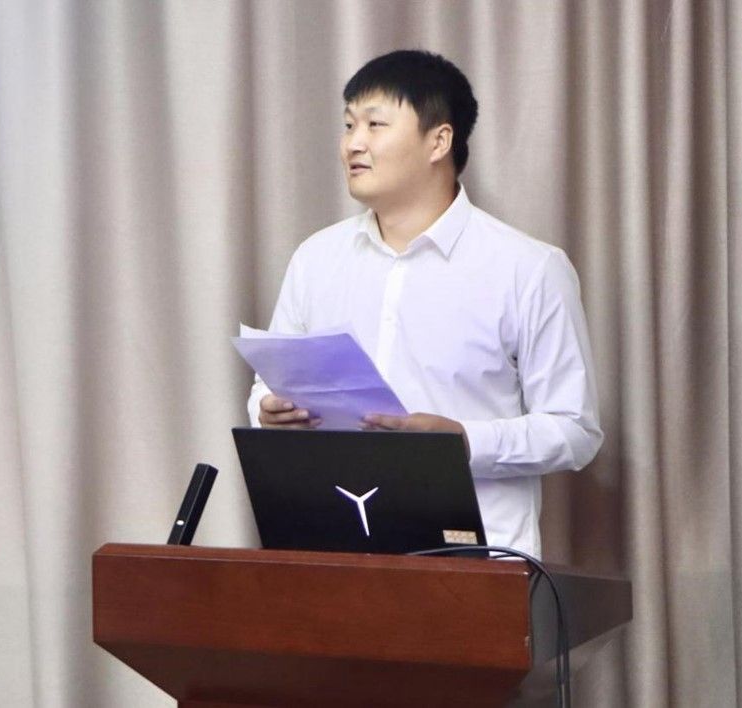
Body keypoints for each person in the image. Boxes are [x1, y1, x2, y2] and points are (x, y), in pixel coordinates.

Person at [246, 50, 602, 557]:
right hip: (333, 551)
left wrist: (463, 442)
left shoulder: (528, 268)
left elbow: (574, 429)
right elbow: (269, 382)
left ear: (439, 140)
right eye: (348, 125)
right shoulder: (316, 258)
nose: (353, 144)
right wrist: (267, 409)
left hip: (474, 561)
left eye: (375, 124)